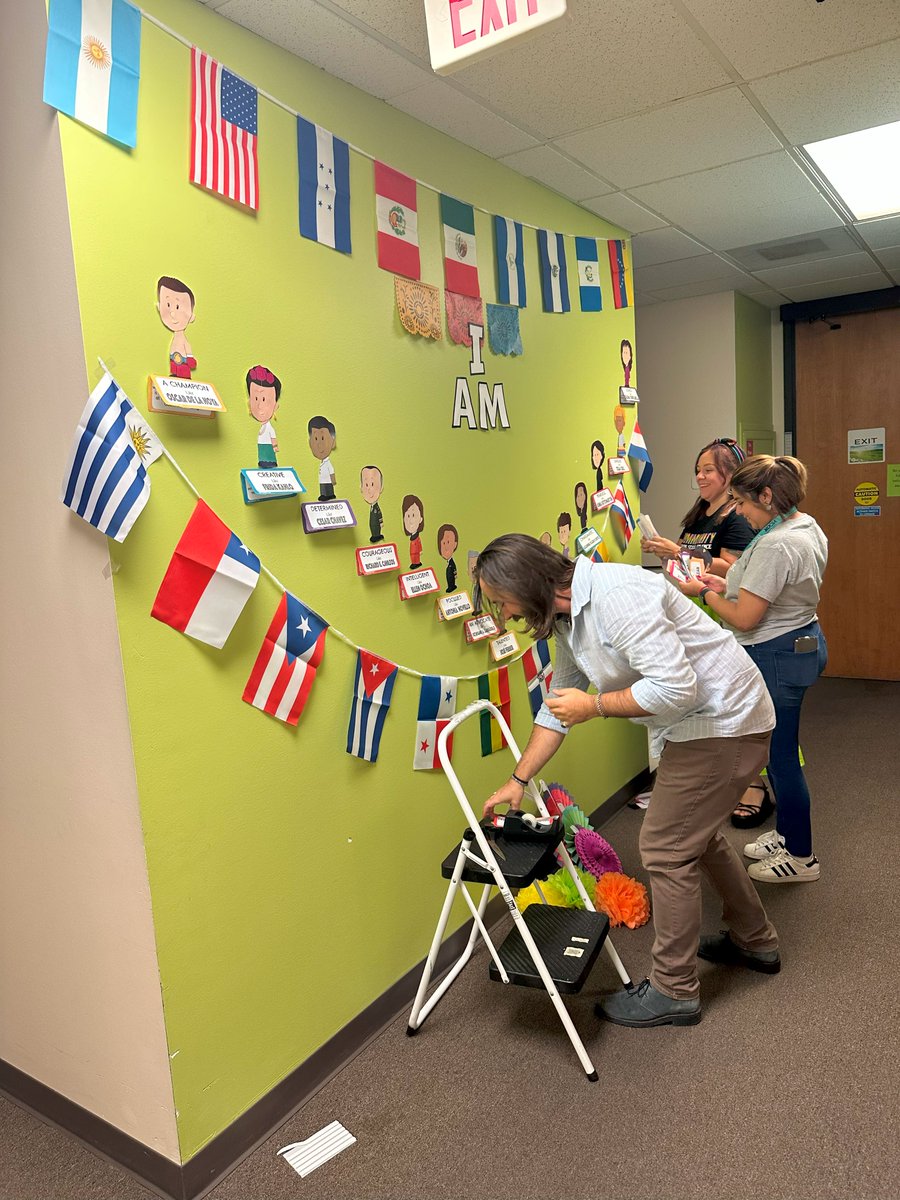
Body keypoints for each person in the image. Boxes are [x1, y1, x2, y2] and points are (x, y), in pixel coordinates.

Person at [475, 535, 777, 1028]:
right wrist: (517, 779)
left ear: (527, 586)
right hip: (695, 722)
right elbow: (558, 709)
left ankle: (674, 991)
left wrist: (594, 706)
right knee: (693, 839)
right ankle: (754, 938)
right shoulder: (566, 621)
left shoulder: (618, 598)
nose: (505, 615)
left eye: (502, 602)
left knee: (664, 847)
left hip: (726, 719)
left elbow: (677, 687)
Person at [674, 456, 828, 884]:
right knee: (776, 755)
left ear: (766, 496)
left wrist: (703, 593)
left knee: (780, 759)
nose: (737, 511)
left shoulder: (779, 543)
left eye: (742, 502)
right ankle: (787, 833)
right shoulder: (802, 525)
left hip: (778, 655)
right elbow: (762, 586)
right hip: (798, 641)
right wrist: (725, 583)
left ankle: (801, 858)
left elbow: (744, 618)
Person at [642, 437, 767, 828]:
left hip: (722, 619)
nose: (699, 476)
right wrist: (673, 555)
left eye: (708, 470)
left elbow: (737, 570)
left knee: (738, 704)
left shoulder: (736, 516)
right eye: (697, 470)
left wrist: (679, 554)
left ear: (729, 475)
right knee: (702, 704)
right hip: (688, 617)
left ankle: (755, 788)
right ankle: (707, 784)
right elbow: (688, 565)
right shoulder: (699, 515)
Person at [156, 276, 197, 379]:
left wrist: (190, 357)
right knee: (175, 366)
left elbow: (186, 346)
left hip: (182, 361)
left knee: (182, 368)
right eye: (168, 305)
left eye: (178, 307)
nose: (173, 313)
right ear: (159, 306)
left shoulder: (183, 339)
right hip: (175, 360)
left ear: (191, 316)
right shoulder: (175, 338)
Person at [245, 365, 281, 468]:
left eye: (264, 399)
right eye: (256, 399)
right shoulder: (262, 427)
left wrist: (275, 447)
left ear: (275, 406)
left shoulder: (269, 427)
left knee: (268, 460)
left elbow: (273, 437)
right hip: (262, 450)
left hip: (268, 451)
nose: (260, 406)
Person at [308, 416, 337, 501]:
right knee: (323, 488)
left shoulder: (328, 463)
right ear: (310, 443)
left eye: (323, 438)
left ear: (333, 442)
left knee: (328, 488)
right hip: (322, 480)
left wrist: (333, 480)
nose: (320, 445)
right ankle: (324, 495)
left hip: (328, 481)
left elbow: (331, 471)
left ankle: (330, 494)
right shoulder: (322, 463)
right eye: (316, 439)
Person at [360, 465, 384, 543]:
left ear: (381, 488)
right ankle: (374, 535)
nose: (369, 489)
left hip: (376, 525)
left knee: (375, 528)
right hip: (372, 524)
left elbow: (380, 515)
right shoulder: (371, 508)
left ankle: (377, 535)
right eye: (366, 485)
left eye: (373, 484)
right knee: (372, 527)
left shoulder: (376, 508)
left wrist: (381, 523)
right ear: (361, 488)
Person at [402, 494, 424, 569]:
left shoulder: (417, 538)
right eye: (408, 516)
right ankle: (414, 563)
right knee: (413, 556)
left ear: (420, 519)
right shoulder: (412, 538)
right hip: (412, 553)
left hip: (416, 553)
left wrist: (420, 550)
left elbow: (419, 544)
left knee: (415, 557)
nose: (410, 520)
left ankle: (416, 563)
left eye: (413, 515)